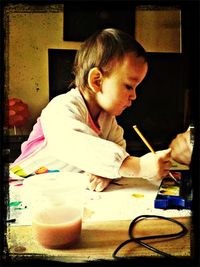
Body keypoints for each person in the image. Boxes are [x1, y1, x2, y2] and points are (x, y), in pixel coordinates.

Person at [10, 28, 172, 192]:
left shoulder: (108, 120)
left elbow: (118, 151)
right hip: (22, 185)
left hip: (61, 190)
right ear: (97, 81)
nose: (134, 96)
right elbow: (72, 144)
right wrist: (139, 167)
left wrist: (106, 173)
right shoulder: (62, 107)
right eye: (129, 86)